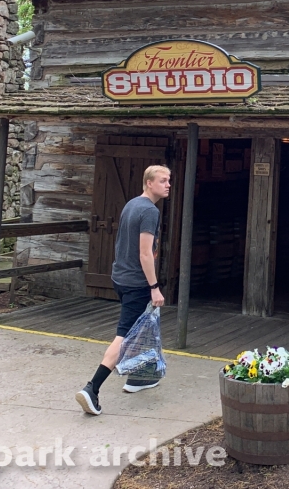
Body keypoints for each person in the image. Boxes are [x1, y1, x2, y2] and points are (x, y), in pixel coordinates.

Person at [76, 165, 170, 415]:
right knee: (125, 336)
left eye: (168, 180)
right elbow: (145, 253)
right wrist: (154, 287)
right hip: (137, 283)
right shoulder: (149, 211)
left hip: (120, 277)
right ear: (149, 183)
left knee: (143, 327)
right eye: (163, 180)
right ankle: (92, 388)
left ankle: (141, 378)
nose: (168, 184)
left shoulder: (132, 204)